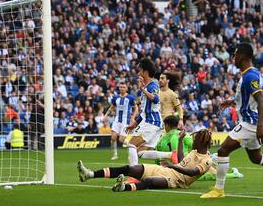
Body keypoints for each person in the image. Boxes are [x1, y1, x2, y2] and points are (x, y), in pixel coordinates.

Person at [201, 43, 263, 198]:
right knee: (256, 158)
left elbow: (260, 100)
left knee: (223, 150)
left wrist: (261, 125)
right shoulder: (250, 74)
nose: (233, 58)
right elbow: (248, 100)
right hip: (251, 121)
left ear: (242, 56)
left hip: (250, 123)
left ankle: (219, 190)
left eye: (235, 54)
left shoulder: (250, 76)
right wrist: (231, 102)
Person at [77, 129, 212, 191]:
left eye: (195, 140)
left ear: (201, 142)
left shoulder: (206, 161)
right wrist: (181, 141)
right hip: (166, 170)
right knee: (131, 169)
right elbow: (183, 162)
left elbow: (191, 172)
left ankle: (124, 187)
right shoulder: (194, 151)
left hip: (176, 181)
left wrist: (172, 166)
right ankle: (90, 174)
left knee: (149, 181)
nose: (193, 141)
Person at [126, 58, 162, 166]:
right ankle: (170, 155)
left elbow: (155, 99)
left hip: (152, 122)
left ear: (146, 72)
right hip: (152, 122)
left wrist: (142, 90)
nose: (139, 73)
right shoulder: (146, 88)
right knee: (140, 151)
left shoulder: (153, 85)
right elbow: (143, 113)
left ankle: (134, 174)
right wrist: (135, 124)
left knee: (131, 145)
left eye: (140, 71)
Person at [104, 82, 138, 160]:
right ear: (119, 88)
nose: (122, 88)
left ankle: (131, 150)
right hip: (117, 120)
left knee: (121, 140)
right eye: (120, 87)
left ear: (126, 88)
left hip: (126, 121)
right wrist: (105, 115)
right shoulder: (115, 97)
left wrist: (133, 117)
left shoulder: (130, 97)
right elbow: (112, 107)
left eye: (123, 87)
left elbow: (136, 108)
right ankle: (115, 155)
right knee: (113, 138)